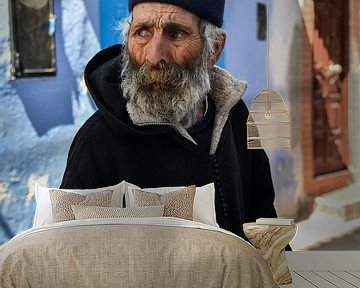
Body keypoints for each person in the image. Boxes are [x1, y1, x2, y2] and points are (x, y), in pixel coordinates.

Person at [60, 0, 278, 239]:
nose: (154, 57)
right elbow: (73, 257)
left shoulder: (234, 116)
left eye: (176, 34)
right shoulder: (97, 142)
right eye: (142, 32)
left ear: (214, 49)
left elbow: (264, 224)